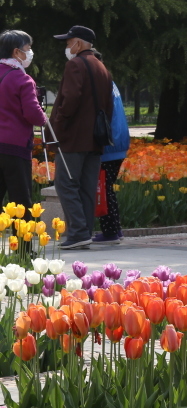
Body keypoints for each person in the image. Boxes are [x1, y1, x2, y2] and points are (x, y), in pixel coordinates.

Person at [50, 25, 113, 250]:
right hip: (96, 138)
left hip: (73, 138)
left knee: (66, 184)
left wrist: (58, 124)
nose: (67, 46)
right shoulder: (101, 66)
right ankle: (85, 232)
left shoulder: (75, 64)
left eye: (69, 42)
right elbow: (109, 106)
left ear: (78, 42)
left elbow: (70, 99)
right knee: (86, 187)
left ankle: (77, 232)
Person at [0, 30, 47, 208]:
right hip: (15, 147)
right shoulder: (22, 79)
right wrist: (44, 118)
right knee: (20, 200)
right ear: (16, 52)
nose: (30, 53)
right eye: (27, 48)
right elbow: (33, 114)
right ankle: (22, 236)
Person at [91, 51, 129, 245]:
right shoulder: (110, 83)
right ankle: (115, 229)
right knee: (107, 188)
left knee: (104, 189)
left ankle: (111, 231)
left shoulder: (100, 85)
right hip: (118, 142)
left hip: (108, 144)